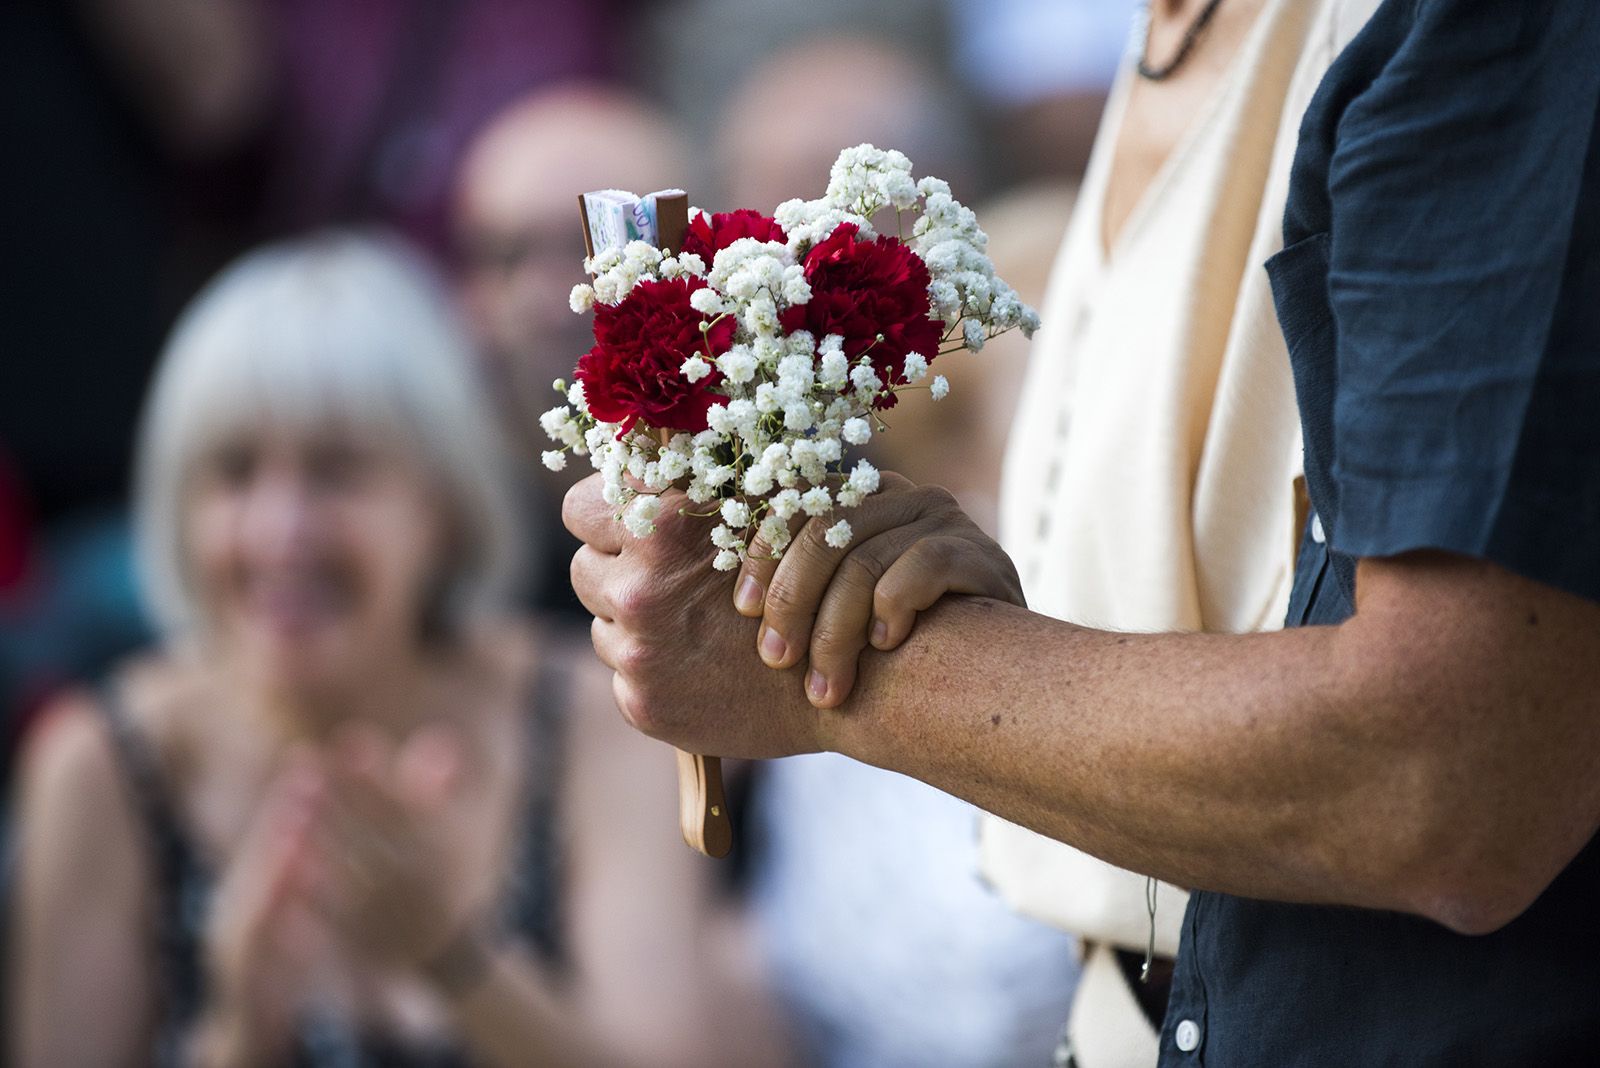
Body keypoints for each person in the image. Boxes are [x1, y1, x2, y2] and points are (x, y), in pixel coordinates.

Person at [564, 0, 1600, 1063]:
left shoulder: (1469, 31)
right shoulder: (1168, 38)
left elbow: (1447, 778)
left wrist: (848, 670)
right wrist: (958, 601)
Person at [6, 232, 793, 1068]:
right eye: (234, 473)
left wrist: (451, 956)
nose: (279, 533)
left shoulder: (605, 715)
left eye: (335, 472)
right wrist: (241, 1028)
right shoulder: (98, 763)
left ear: (445, 503)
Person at [708, 39, 1081, 1068]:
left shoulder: (1027, 337)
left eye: (828, 182)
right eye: (758, 184)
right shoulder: (718, 505)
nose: (787, 232)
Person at [452, 84, 689, 621]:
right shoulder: (432, 516)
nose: (547, 298)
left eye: (593, 251)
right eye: (507, 254)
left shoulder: (786, 485)